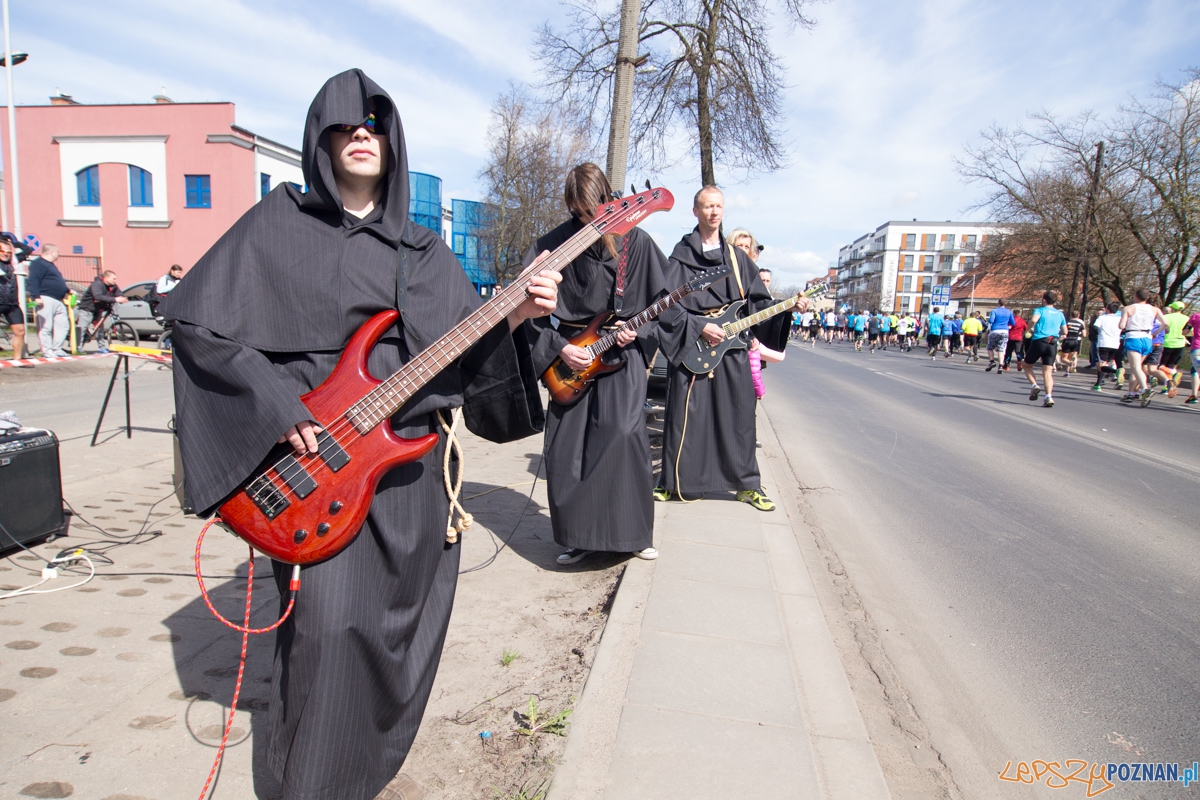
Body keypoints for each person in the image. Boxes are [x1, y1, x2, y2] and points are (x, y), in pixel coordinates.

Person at [159, 70, 560, 800]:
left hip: (410, 475)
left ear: (395, 141)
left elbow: (468, 360)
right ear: (323, 137)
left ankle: (358, 772)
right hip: (317, 470)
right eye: (348, 123)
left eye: (377, 122)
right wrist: (279, 405)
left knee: (394, 637)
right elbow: (196, 324)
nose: (364, 133)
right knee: (325, 632)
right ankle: (313, 785)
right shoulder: (276, 225)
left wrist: (516, 318)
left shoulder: (423, 251)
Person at [528, 164, 675, 567]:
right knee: (567, 449)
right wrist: (558, 347)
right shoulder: (553, 245)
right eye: (579, 214)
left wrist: (638, 332)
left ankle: (632, 534)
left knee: (623, 434)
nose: (588, 222)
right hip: (571, 358)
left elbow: (661, 305)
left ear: (610, 200)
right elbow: (527, 314)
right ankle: (579, 537)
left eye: (595, 211)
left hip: (620, 355)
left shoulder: (637, 242)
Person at [654, 185, 806, 512]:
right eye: (707, 206)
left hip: (732, 348)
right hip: (692, 344)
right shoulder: (680, 255)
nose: (713, 212)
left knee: (739, 418)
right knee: (684, 417)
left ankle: (747, 487)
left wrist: (790, 307)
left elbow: (760, 303)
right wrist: (698, 326)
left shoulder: (737, 260)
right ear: (695, 212)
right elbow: (662, 305)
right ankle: (672, 483)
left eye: (718, 206)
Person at [1118, 288, 1167, 406]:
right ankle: (1131, 393)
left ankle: (1145, 389)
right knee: (1138, 367)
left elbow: (1121, 325)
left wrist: (1124, 325)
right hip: (1147, 339)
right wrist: (1156, 333)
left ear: (1135, 296)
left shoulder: (1128, 308)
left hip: (1134, 337)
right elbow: (1165, 323)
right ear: (1147, 298)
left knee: (1135, 367)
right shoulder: (1154, 309)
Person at [1022, 290, 1067, 407]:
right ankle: (1048, 397)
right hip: (1053, 343)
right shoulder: (1060, 314)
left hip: (1039, 341)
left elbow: (1033, 320)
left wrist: (1028, 329)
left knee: (1026, 365)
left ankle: (1034, 385)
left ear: (1044, 300)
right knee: (1047, 373)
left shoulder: (1040, 310)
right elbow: (1065, 331)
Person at [26, 244, 71, 358]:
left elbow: (55, 281)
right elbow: (33, 280)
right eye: (57, 252)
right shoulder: (38, 263)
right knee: (46, 326)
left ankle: (57, 348)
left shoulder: (51, 265)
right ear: (51, 252)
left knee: (63, 324)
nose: (58, 254)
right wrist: (36, 296)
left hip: (58, 299)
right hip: (45, 297)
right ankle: (47, 350)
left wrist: (67, 290)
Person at [75, 269, 129, 354]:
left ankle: (102, 347)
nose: (115, 281)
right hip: (87, 308)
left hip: (99, 309)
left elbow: (118, 293)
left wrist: (122, 298)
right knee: (82, 327)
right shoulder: (97, 284)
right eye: (113, 279)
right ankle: (78, 348)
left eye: (115, 279)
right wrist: (115, 299)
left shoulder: (113, 285)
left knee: (99, 328)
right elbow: (98, 296)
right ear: (106, 278)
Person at [0, 235, 31, 358]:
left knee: (20, 331)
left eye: (8, 252)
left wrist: (14, 241)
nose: (5, 254)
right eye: (2, 251)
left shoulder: (14, 261)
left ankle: (17, 360)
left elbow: (28, 250)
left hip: (12, 303)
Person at [1090, 301, 1123, 392]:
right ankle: (1098, 384)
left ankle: (1116, 372)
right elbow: (1123, 329)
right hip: (1116, 344)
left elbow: (1095, 327)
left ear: (1107, 309)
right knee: (1105, 363)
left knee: (1101, 365)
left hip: (1104, 343)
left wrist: (1099, 333)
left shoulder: (1102, 317)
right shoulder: (1119, 318)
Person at [1159, 301, 1189, 395]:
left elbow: (1161, 329)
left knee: (1162, 366)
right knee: (1170, 366)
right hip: (1180, 343)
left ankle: (1173, 374)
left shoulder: (1167, 317)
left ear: (1172, 308)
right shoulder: (1187, 318)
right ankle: (1166, 387)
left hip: (1167, 343)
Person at [986, 299, 1015, 372]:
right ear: (1005, 303)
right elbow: (1013, 323)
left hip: (995, 331)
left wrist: (990, 320)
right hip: (1004, 331)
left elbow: (991, 321)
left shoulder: (994, 311)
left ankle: (992, 362)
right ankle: (1001, 366)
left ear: (998, 303)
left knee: (990, 347)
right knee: (1001, 349)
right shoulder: (1009, 312)